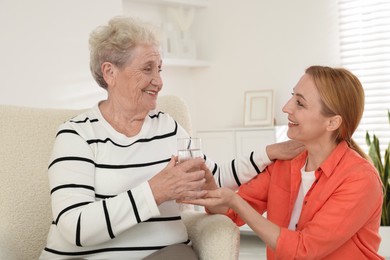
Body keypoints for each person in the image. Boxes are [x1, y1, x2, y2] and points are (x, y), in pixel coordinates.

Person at [39, 16, 303, 259]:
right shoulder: (77, 135)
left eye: (160, 69)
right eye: (147, 69)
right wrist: (156, 191)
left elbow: (213, 178)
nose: (159, 81)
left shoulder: (167, 127)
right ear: (110, 73)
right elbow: (75, 227)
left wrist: (268, 153)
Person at [184, 66, 384, 259]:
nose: (286, 107)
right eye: (292, 96)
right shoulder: (286, 163)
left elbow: (303, 250)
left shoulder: (360, 179)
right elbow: (229, 213)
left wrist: (235, 201)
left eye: (300, 103)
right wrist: (213, 192)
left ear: (332, 122)